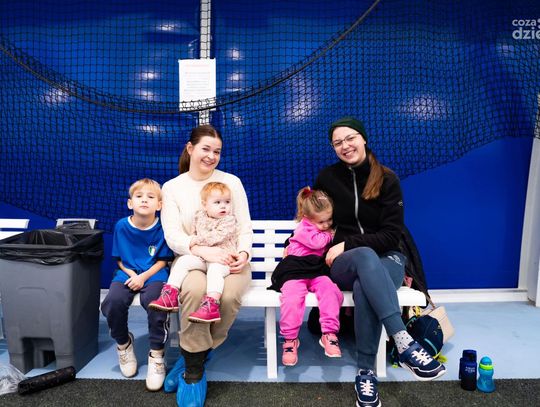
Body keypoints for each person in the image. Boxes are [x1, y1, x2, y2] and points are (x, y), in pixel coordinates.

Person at [314, 117, 446, 407]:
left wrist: (350, 242)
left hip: (388, 257)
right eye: (338, 142)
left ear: (363, 138)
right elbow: (314, 218)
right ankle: (404, 341)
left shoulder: (387, 179)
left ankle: (365, 373)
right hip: (345, 260)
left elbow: (390, 236)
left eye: (350, 138)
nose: (345, 146)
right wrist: (298, 243)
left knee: (365, 285)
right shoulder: (327, 178)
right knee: (363, 256)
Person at [160, 124, 252, 406]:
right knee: (194, 292)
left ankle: (193, 355)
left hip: (228, 258)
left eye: (217, 151)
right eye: (206, 149)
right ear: (190, 149)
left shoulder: (231, 182)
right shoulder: (172, 188)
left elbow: (244, 227)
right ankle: (194, 373)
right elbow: (173, 234)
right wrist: (201, 250)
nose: (211, 156)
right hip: (193, 259)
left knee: (228, 295)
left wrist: (244, 253)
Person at [101, 178, 174, 391]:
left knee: (155, 303)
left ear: (159, 205)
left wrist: (143, 277)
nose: (144, 200)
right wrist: (133, 274)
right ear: (130, 203)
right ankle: (124, 344)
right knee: (113, 302)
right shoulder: (121, 226)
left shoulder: (163, 226)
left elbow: (163, 260)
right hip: (127, 274)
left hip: (155, 274)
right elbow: (119, 260)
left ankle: (156, 354)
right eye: (139, 196)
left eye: (150, 197)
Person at [269, 186, 344, 366]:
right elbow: (317, 243)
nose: (326, 225)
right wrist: (331, 235)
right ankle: (290, 340)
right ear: (307, 218)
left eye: (329, 220)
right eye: (321, 222)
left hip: (316, 269)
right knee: (293, 297)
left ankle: (329, 334)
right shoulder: (303, 228)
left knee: (331, 290)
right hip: (294, 269)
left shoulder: (320, 226)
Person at [149, 181, 239, 324]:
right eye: (217, 202)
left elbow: (216, 237)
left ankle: (211, 305)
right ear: (205, 205)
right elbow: (193, 233)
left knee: (215, 271)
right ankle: (170, 294)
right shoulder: (199, 216)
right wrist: (194, 243)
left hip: (223, 258)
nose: (223, 206)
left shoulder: (229, 220)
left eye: (227, 202)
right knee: (183, 261)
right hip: (203, 257)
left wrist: (194, 241)